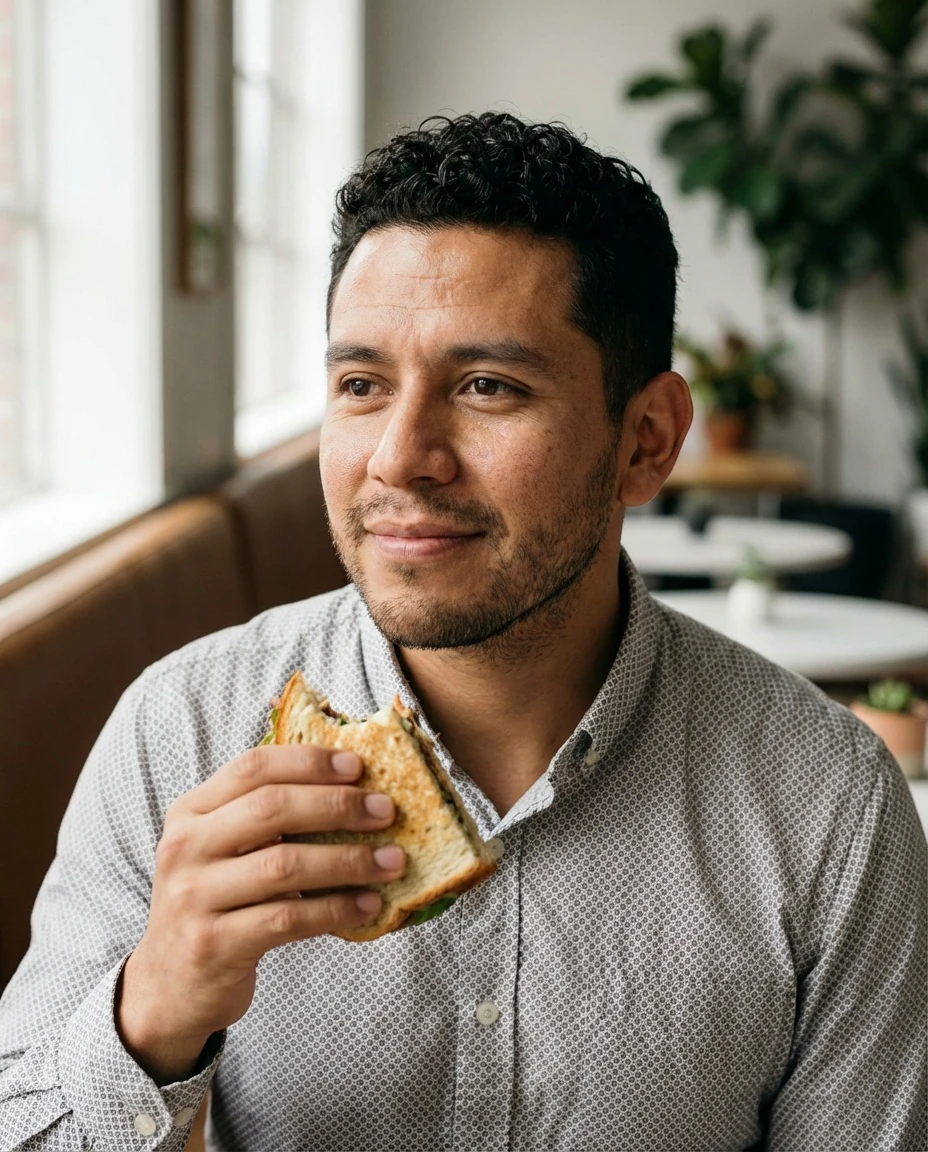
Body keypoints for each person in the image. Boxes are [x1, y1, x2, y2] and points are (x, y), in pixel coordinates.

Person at [0, 112, 924, 1152]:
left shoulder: (829, 808)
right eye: (361, 385)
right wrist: (153, 1014)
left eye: (489, 387)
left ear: (647, 438)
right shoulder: (181, 736)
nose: (399, 457)